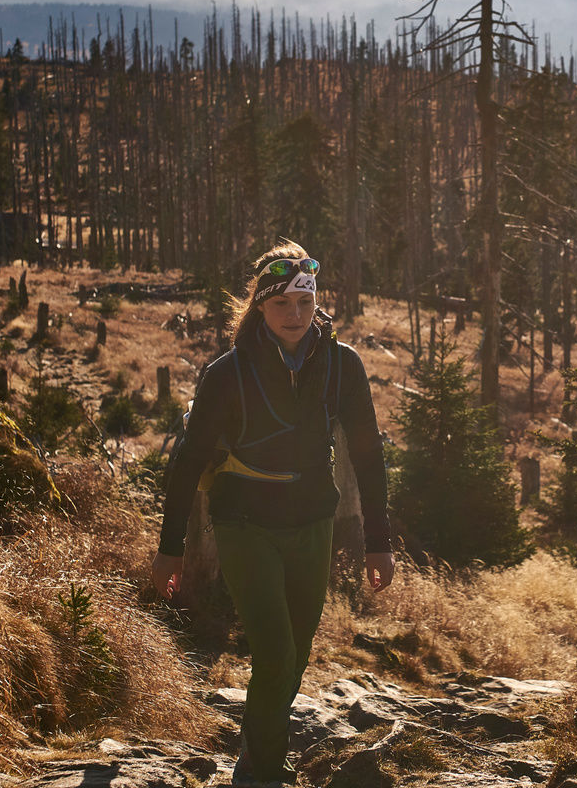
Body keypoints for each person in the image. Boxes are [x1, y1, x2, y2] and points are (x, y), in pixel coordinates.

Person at [151, 240, 397, 788]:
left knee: (298, 647)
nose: (295, 316)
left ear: (317, 305)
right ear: (259, 307)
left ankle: (256, 744)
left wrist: (378, 540)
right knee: (275, 645)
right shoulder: (228, 373)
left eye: (304, 304)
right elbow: (188, 463)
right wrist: (171, 551)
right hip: (243, 522)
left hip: (312, 522)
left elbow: (367, 454)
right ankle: (262, 774)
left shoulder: (342, 365)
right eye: (281, 304)